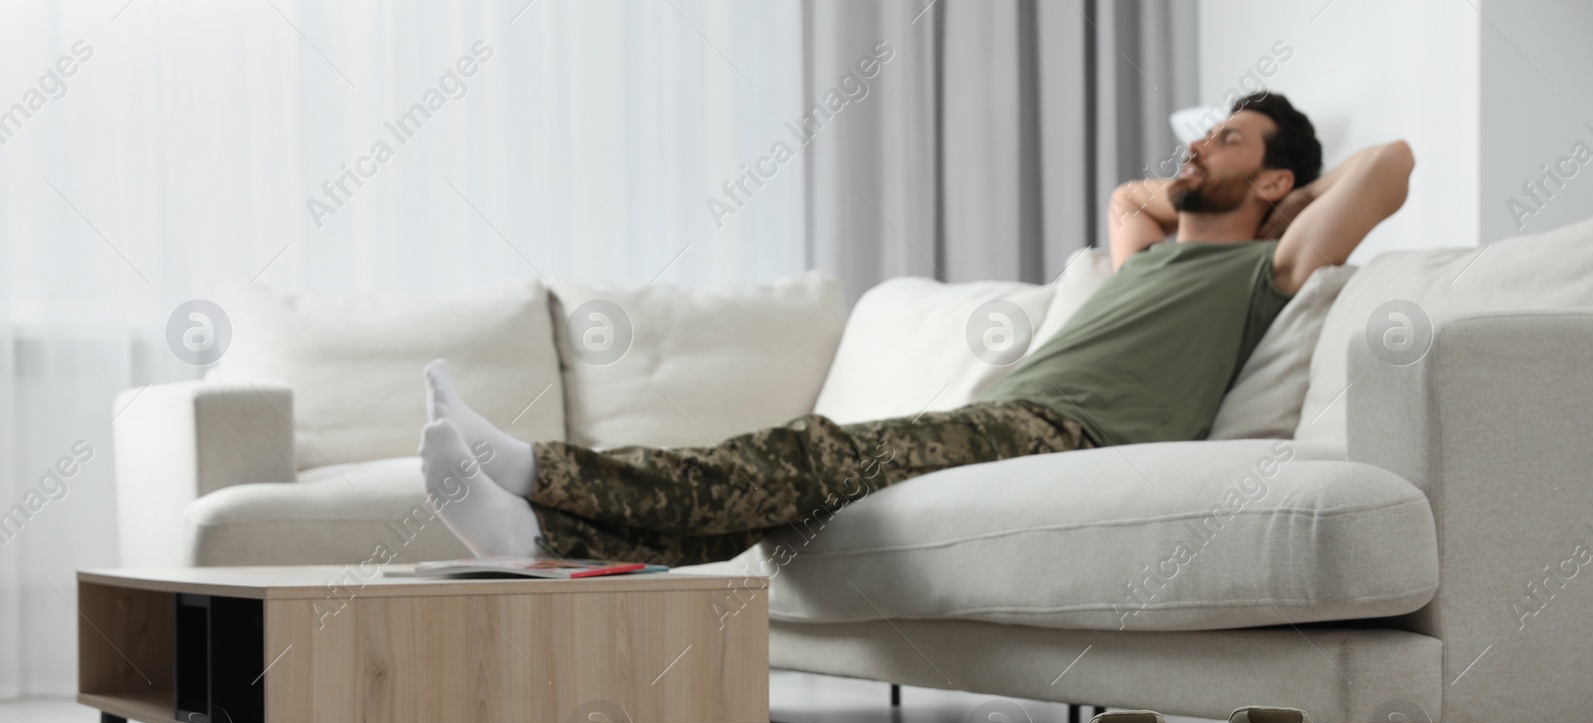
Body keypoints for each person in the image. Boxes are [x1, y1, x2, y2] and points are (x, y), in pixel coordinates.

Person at [417, 92, 1413, 566]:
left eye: (1227, 139)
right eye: (1198, 135)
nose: (1195, 146)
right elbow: (1127, 201)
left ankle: (541, 470)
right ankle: (540, 533)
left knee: (802, 453)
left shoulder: (1265, 267)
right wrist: (1203, 173)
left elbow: (1391, 165)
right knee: (792, 495)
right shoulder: (1148, 262)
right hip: (1006, 421)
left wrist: (1286, 200)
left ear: (1278, 181)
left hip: (1063, 434)